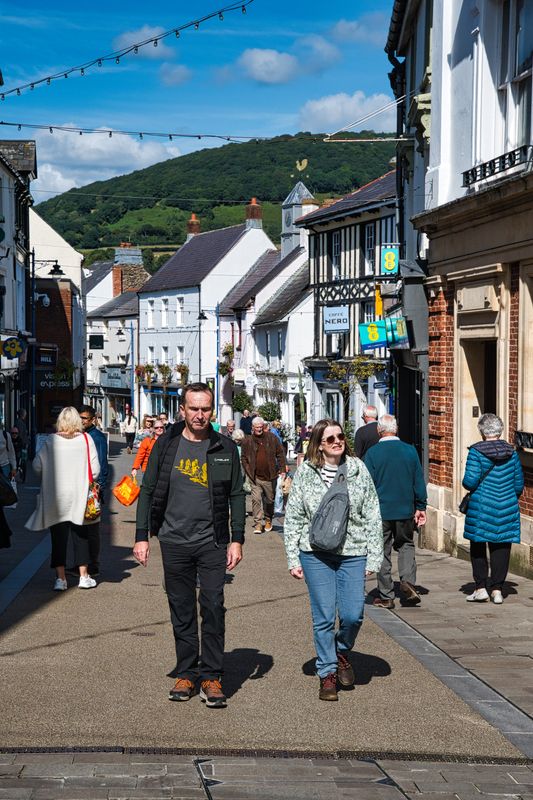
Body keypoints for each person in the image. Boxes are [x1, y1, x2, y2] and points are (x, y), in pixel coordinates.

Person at [133, 382, 245, 708]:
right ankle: (186, 671)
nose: (199, 415)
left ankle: (211, 676)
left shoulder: (224, 447)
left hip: (212, 541)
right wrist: (142, 536)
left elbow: (237, 494)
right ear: (182, 410)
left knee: (212, 605)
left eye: (205, 409)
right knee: (181, 609)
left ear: (212, 410)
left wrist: (236, 539)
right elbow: (150, 490)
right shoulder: (165, 445)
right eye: (193, 408)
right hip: (173, 540)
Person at [284, 418, 383, 701]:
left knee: (353, 614)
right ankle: (327, 673)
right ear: (319, 444)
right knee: (324, 615)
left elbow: (373, 513)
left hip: (353, 552)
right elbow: (294, 517)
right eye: (330, 439)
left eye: (340, 436)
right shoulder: (305, 472)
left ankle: (341, 651)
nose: (337, 441)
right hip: (315, 554)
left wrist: (374, 557)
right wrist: (293, 557)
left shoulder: (357, 469)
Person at [25, 407, 100, 591]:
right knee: (81, 536)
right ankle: (83, 576)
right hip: (79, 496)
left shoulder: (51, 441)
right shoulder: (85, 439)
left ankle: (61, 579)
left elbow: (36, 466)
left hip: (56, 498)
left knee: (58, 539)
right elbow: (96, 470)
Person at [364, 414, 427, 609]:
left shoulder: (373, 454)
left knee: (382, 551)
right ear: (396, 429)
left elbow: (367, 485)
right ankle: (408, 581)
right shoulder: (409, 451)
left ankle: (386, 595)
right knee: (406, 545)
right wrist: (421, 506)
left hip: (380, 511)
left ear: (379, 430)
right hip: (405, 509)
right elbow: (418, 480)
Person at [462, 413, 524, 605]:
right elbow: (518, 485)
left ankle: (481, 588)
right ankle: (497, 590)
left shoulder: (476, 452)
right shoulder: (512, 452)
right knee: (502, 546)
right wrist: (507, 498)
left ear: (482, 431)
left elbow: (470, 482)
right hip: (506, 505)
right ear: (500, 430)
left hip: (481, 506)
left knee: (478, 545)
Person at [241, 416, 286, 534]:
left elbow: (280, 454)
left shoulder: (272, 438)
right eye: (257, 427)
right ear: (252, 428)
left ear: (264, 427)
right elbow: (244, 457)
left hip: (270, 476)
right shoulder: (248, 441)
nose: (259, 429)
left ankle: (268, 519)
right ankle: (257, 523)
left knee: (269, 500)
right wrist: (247, 469)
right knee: (256, 500)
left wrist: (282, 469)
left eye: (261, 427)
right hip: (254, 477)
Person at [79, 405, 109, 576]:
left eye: (85, 418)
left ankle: (93, 565)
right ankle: (83, 563)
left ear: (92, 420)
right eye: (80, 417)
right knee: (82, 528)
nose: (82, 421)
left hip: (93, 488)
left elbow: (102, 465)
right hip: (83, 487)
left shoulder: (96, 437)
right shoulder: (81, 435)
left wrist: (100, 488)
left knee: (92, 528)